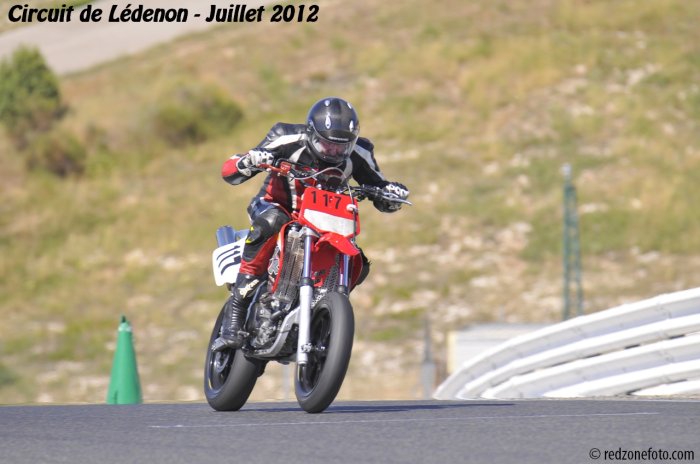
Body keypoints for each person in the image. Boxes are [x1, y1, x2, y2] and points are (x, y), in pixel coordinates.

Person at [214, 97, 409, 350]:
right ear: (311, 134)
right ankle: (236, 312)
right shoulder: (285, 137)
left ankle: (324, 309)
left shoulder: (361, 152)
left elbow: (380, 189)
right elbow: (231, 171)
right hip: (279, 206)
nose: (334, 152)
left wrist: (392, 193)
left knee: (359, 262)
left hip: (325, 220)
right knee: (271, 223)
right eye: (327, 144)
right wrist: (250, 161)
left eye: (341, 147)